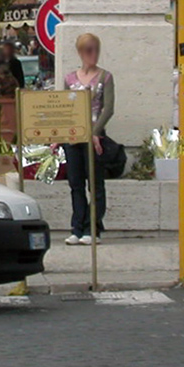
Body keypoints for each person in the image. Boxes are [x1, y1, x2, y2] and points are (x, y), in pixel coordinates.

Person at [62, 33, 115, 246]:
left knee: (95, 184)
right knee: (75, 183)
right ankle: (77, 226)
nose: (92, 54)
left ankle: (93, 227)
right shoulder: (69, 78)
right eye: (88, 50)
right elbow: (66, 108)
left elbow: (108, 108)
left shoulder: (105, 77)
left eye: (95, 49)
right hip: (73, 136)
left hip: (94, 136)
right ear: (80, 52)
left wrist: (96, 131)